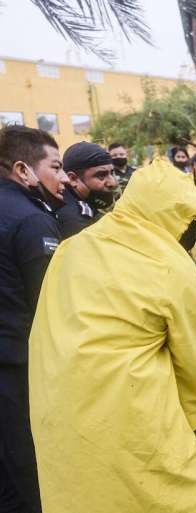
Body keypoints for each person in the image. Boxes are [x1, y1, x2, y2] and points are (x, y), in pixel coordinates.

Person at [28, 159, 196, 513]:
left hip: (57, 405)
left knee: (85, 493)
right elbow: (190, 358)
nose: (194, 228)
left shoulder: (75, 246)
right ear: (170, 217)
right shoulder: (171, 265)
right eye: (191, 219)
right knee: (191, 498)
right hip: (126, 405)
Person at [0, 125, 67, 513]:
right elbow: (50, 306)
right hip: (17, 372)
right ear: (24, 170)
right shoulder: (32, 220)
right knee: (28, 477)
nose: (62, 178)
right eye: (55, 167)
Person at [58, 141, 118, 238]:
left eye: (111, 173)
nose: (112, 183)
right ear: (73, 179)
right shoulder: (74, 219)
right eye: (101, 175)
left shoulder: (81, 202)